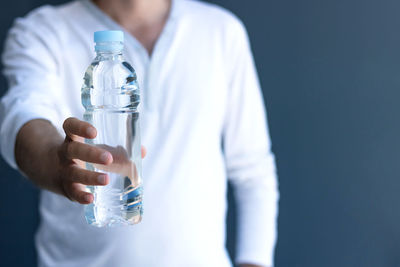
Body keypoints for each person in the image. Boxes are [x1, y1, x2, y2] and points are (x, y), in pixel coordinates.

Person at [0, 0, 279, 266]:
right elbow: (23, 115)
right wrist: (55, 161)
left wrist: (254, 260)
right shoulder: (41, 32)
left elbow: (252, 169)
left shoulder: (221, 31)